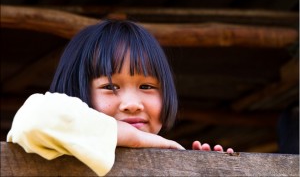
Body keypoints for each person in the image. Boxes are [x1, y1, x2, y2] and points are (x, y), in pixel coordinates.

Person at [7, 20, 233, 176]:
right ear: (75, 90)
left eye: (147, 86)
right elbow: (34, 118)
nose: (132, 104)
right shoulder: (55, 144)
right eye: (109, 86)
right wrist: (135, 138)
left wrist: (204, 168)